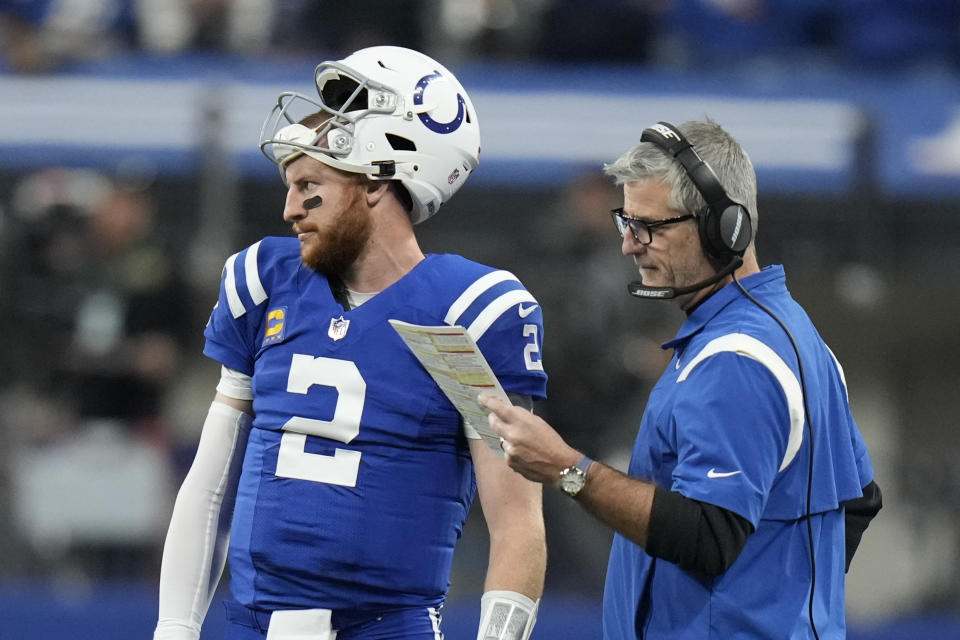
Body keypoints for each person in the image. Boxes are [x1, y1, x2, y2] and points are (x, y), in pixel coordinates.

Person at [154, 46, 548, 640]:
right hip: (254, 625)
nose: (289, 209)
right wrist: (174, 629)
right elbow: (210, 486)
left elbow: (517, 522)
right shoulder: (266, 284)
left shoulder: (464, 313)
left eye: (309, 184)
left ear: (375, 182)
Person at [481, 119, 882, 639]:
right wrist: (790, 601)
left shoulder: (738, 357)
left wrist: (566, 468)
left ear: (725, 229)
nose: (630, 245)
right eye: (626, 222)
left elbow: (708, 535)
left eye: (650, 227)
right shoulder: (790, 333)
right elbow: (858, 496)